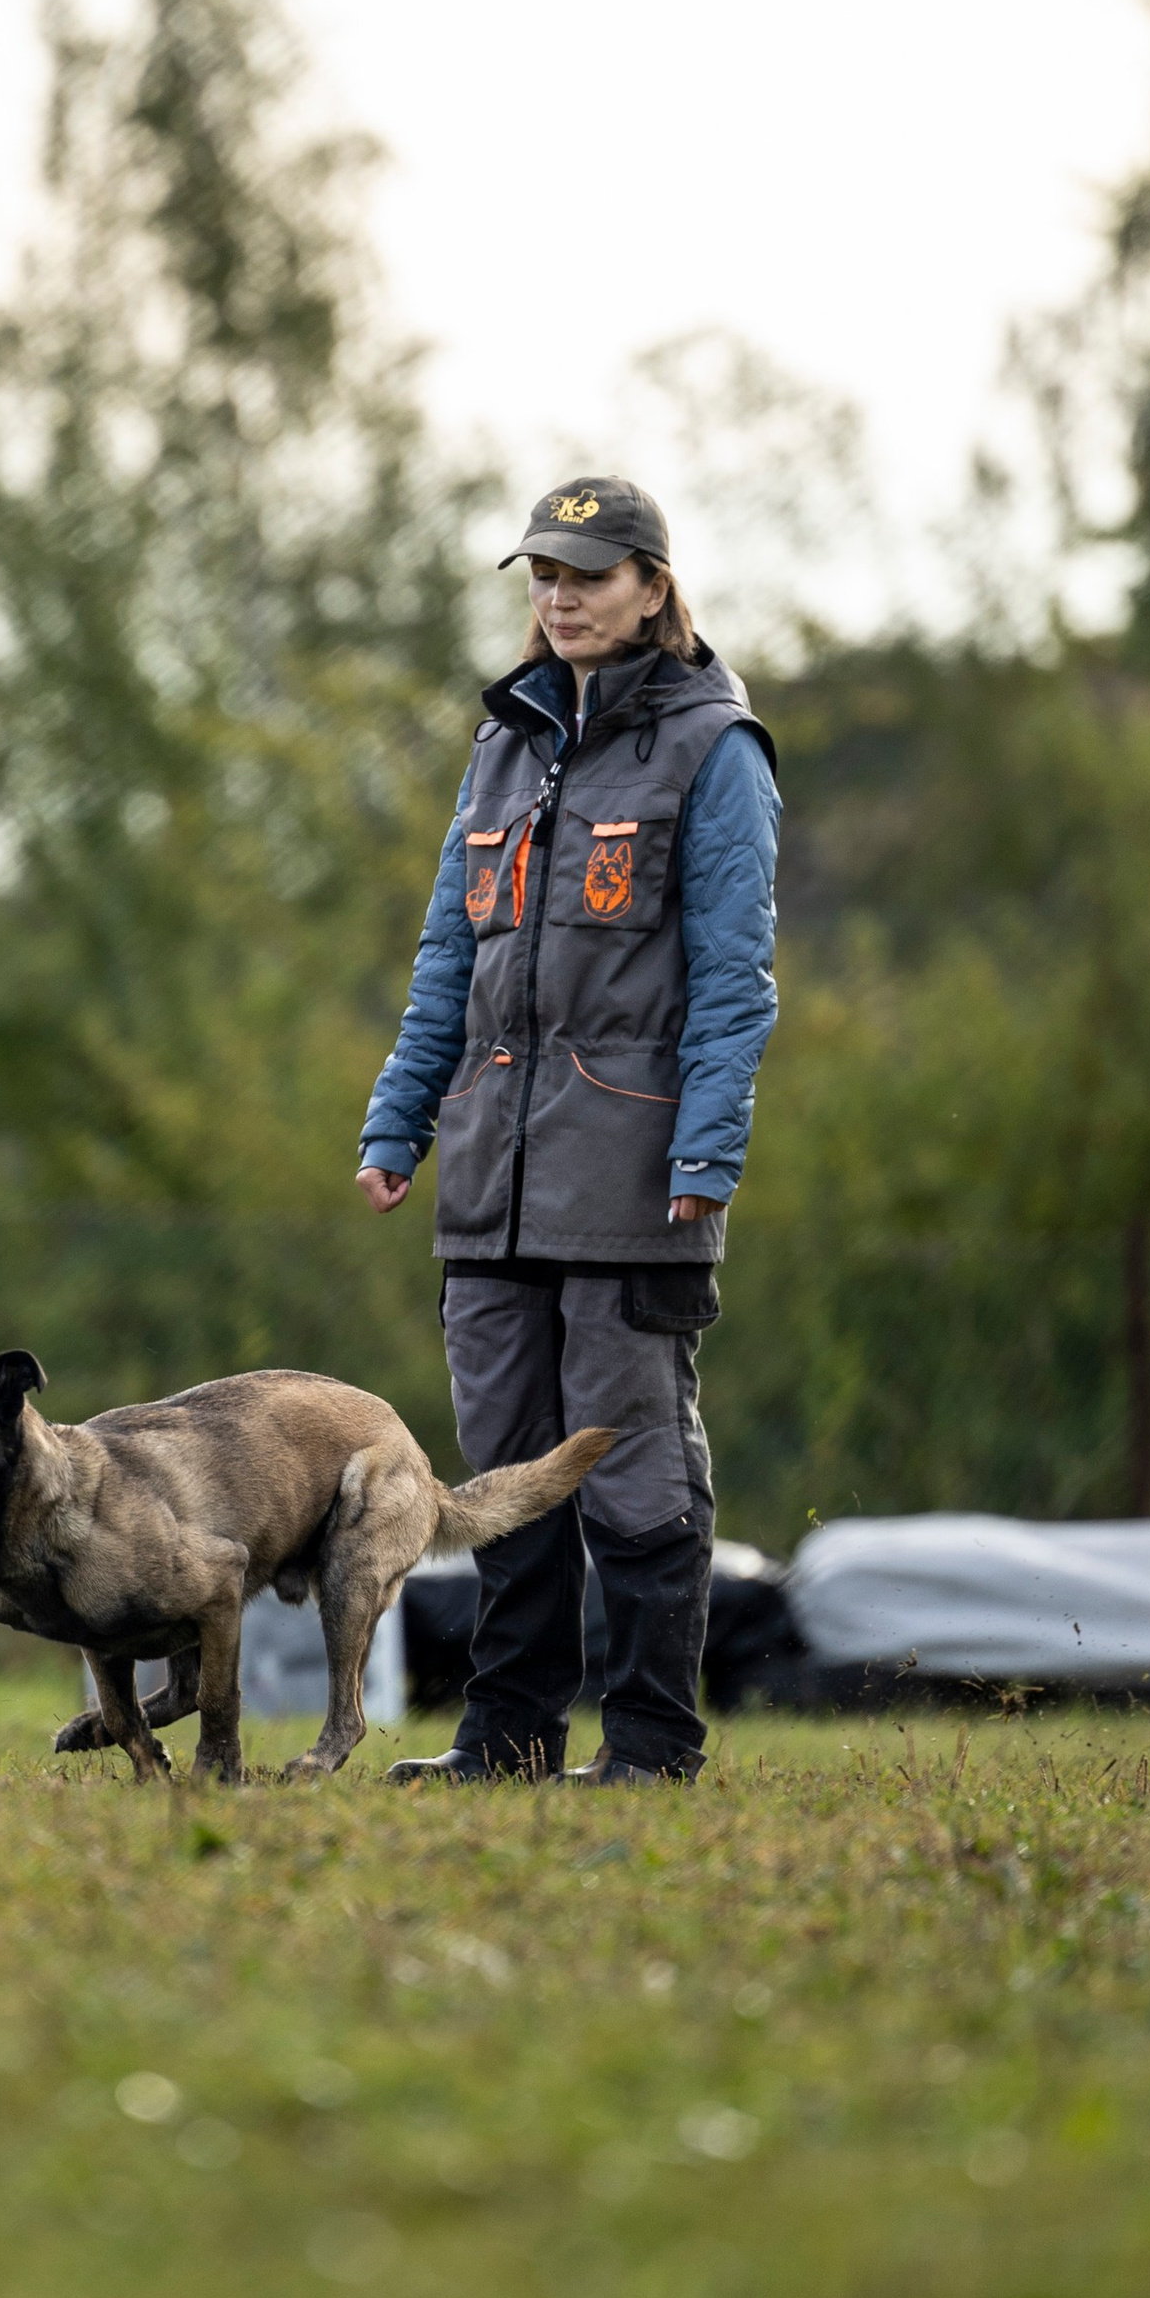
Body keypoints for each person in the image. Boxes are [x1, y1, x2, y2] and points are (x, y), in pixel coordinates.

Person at [357, 472, 779, 1783]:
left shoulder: (716, 748)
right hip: (490, 1177)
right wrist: (399, 1121)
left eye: (589, 576)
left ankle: (651, 1744)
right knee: (503, 1475)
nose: (561, 597)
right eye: (544, 574)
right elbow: (449, 958)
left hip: (634, 1179)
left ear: (653, 588)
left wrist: (707, 1152)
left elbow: (735, 979)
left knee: (632, 1465)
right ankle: (509, 1742)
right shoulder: (504, 743)